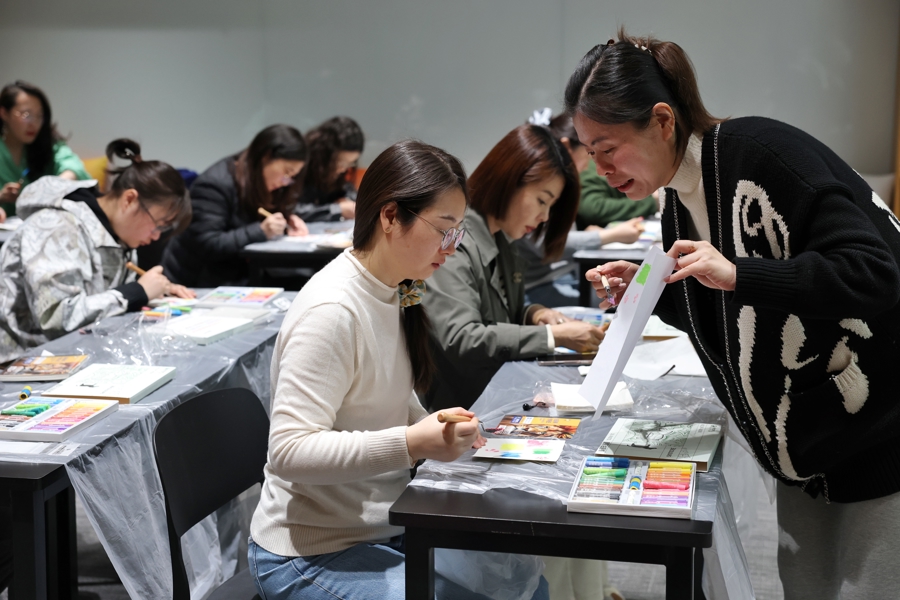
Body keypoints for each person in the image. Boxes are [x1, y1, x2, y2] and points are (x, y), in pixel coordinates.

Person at [572, 29, 900, 599]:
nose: (600, 168)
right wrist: (650, 294)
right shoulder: (679, 201)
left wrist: (740, 273)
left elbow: (873, 272)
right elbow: (728, 311)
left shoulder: (760, 155)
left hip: (878, 434)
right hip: (810, 444)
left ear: (662, 121)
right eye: (589, 152)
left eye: (608, 148)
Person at [248, 139, 548, 600]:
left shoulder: (394, 288)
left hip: (383, 525)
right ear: (390, 216)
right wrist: (411, 443)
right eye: (443, 230)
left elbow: (384, 393)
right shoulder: (333, 310)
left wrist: (436, 426)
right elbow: (289, 451)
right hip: (311, 551)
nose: (451, 248)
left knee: (523, 582)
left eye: (457, 234)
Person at [424, 124, 606, 411]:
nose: (545, 216)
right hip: (461, 408)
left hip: (494, 393)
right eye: (542, 200)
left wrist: (535, 314)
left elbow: (498, 315)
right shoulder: (456, 240)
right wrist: (552, 336)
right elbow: (462, 337)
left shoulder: (502, 238)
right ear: (508, 181)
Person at [0, 138, 194, 363]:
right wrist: (136, 292)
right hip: (17, 360)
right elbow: (56, 319)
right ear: (130, 199)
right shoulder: (57, 225)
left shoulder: (118, 237)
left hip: (71, 355)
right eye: (158, 224)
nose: (156, 236)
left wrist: (157, 292)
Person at [519, 110, 647, 307]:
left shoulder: (561, 182)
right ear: (566, 146)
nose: (590, 164)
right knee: (619, 301)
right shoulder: (538, 181)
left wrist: (592, 235)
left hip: (567, 275)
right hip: (542, 285)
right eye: (588, 152)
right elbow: (546, 244)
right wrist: (609, 236)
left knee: (622, 295)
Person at [162, 124, 309, 286]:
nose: (286, 182)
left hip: (236, 274)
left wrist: (287, 220)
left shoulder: (263, 181)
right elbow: (207, 244)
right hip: (198, 281)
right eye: (286, 172)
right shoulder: (215, 184)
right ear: (266, 157)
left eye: (292, 176)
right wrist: (260, 231)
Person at [0, 81, 90, 220]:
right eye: (26, 115)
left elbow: (73, 166)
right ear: (4, 113)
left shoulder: (48, 145)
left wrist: (51, 188)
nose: (34, 124)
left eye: (39, 116)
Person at [295, 116, 364, 222]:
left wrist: (349, 201)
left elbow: (348, 192)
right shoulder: (301, 163)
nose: (343, 169)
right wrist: (337, 209)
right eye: (339, 162)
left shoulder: (339, 173)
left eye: (350, 163)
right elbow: (293, 209)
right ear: (324, 154)